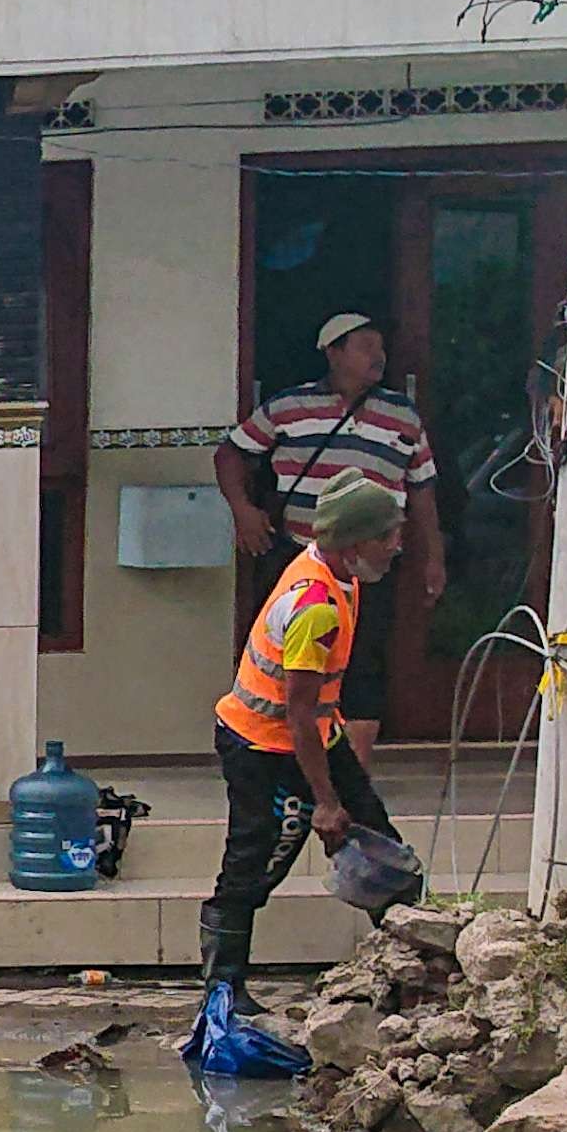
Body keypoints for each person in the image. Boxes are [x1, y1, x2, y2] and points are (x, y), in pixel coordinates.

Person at [200, 471, 412, 993]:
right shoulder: (314, 606)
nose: (396, 547)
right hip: (262, 746)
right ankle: (223, 994)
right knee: (253, 864)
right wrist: (323, 801)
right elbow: (296, 715)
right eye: (387, 536)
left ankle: (413, 970)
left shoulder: (340, 573)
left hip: (315, 732)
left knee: (383, 846)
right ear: (356, 542)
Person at [217, 314, 448, 732]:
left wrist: (434, 556)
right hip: (301, 558)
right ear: (333, 352)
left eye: (380, 347)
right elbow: (231, 454)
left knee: (362, 663)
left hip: (372, 563)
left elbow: (423, 489)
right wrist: (243, 510)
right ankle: (287, 753)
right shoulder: (288, 407)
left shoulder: (403, 415)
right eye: (364, 346)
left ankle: (352, 776)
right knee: (294, 659)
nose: (377, 356)